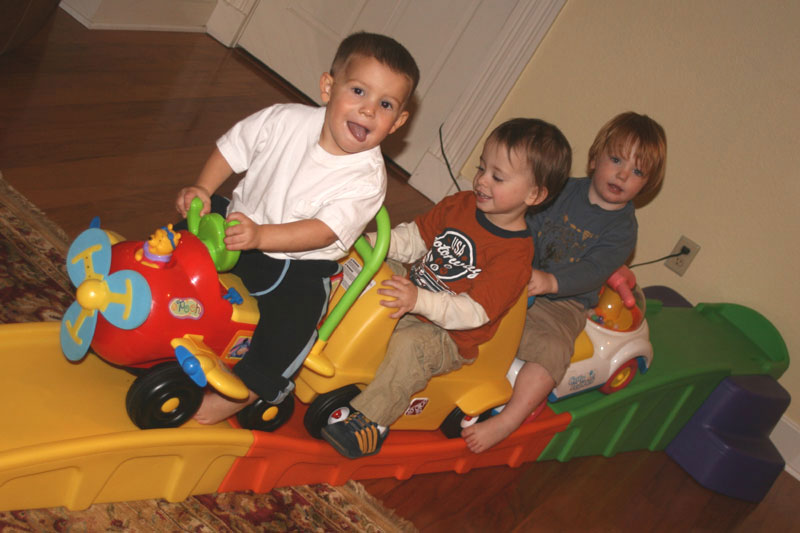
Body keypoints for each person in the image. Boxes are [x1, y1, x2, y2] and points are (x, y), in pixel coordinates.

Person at [173, 32, 420, 425]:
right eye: (358, 90)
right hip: (236, 224)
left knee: (295, 322)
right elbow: (233, 147)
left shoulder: (367, 178)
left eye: (385, 104)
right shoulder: (284, 119)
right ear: (328, 87)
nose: (368, 110)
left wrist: (261, 237)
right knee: (181, 233)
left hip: (295, 263)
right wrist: (203, 188)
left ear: (398, 122)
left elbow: (323, 232)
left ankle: (242, 393)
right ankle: (155, 302)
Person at [321, 117, 572, 459]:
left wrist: (419, 301)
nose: (482, 180)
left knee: (410, 345)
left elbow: (473, 312)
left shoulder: (514, 256)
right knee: (375, 268)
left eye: (497, 177)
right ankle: (317, 327)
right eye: (483, 167)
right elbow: (416, 237)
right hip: (417, 295)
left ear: (534, 194)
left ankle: (372, 422)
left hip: (449, 336)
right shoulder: (462, 204)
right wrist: (375, 244)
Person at [463, 111, 667, 453]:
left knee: (553, 352)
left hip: (564, 303)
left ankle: (509, 419)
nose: (622, 174)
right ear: (594, 158)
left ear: (647, 184)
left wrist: (551, 282)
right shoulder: (561, 191)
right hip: (516, 276)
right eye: (616, 159)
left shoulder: (622, 230)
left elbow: (594, 270)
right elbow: (523, 220)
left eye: (637, 171)